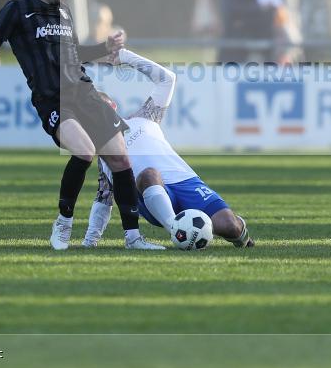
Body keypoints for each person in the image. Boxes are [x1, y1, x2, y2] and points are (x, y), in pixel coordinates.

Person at [0, 0, 163, 251]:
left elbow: (74, 57)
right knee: (84, 152)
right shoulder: (16, 9)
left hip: (85, 93)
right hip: (53, 101)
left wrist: (105, 48)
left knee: (120, 158)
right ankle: (64, 223)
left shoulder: (63, 13)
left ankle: (133, 238)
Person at [82, 48, 254, 248]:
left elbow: (167, 79)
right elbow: (103, 200)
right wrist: (90, 241)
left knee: (229, 226)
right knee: (149, 174)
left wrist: (125, 57)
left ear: (112, 106)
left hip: (186, 182)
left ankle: (241, 233)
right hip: (152, 197)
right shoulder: (105, 157)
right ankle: (177, 229)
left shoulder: (145, 117)